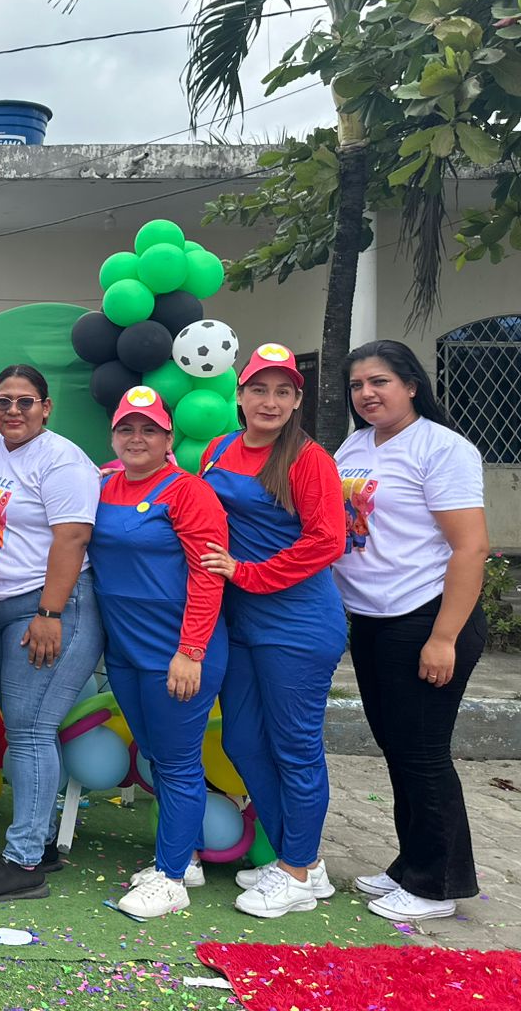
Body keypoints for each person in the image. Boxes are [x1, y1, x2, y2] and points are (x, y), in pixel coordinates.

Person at [333, 340, 488, 923]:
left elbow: (470, 548)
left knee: (422, 752)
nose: (367, 393)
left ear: (412, 385)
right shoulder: (356, 446)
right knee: (397, 746)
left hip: (425, 616)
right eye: (357, 385)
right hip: (372, 619)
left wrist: (443, 638)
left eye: (380, 382)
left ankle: (436, 883)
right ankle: (412, 862)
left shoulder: (442, 448)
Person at [196, 344, 345, 918]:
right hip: (239, 621)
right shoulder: (218, 448)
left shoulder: (308, 459)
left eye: (284, 391)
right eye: (259, 388)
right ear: (239, 393)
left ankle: (297, 869)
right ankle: (300, 859)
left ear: (297, 401)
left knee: (295, 748)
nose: (270, 401)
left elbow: (327, 541)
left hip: (297, 623)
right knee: (241, 741)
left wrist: (248, 574)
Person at [0, 365, 101, 903]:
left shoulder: (62, 460)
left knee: (31, 730)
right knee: (27, 729)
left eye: (25, 401)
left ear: (46, 407)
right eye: (3, 401)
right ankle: (39, 840)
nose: (13, 411)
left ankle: (23, 863)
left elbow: (73, 538)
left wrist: (50, 612)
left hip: (47, 607)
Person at [90, 386, 228, 920]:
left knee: (176, 761)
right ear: (113, 436)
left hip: (177, 652)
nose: (137, 438)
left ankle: (170, 879)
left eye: (150, 429)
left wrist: (190, 650)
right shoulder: (104, 485)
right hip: (126, 652)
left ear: (169, 438)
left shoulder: (189, 492)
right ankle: (184, 858)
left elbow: (208, 575)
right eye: (127, 428)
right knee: (156, 754)